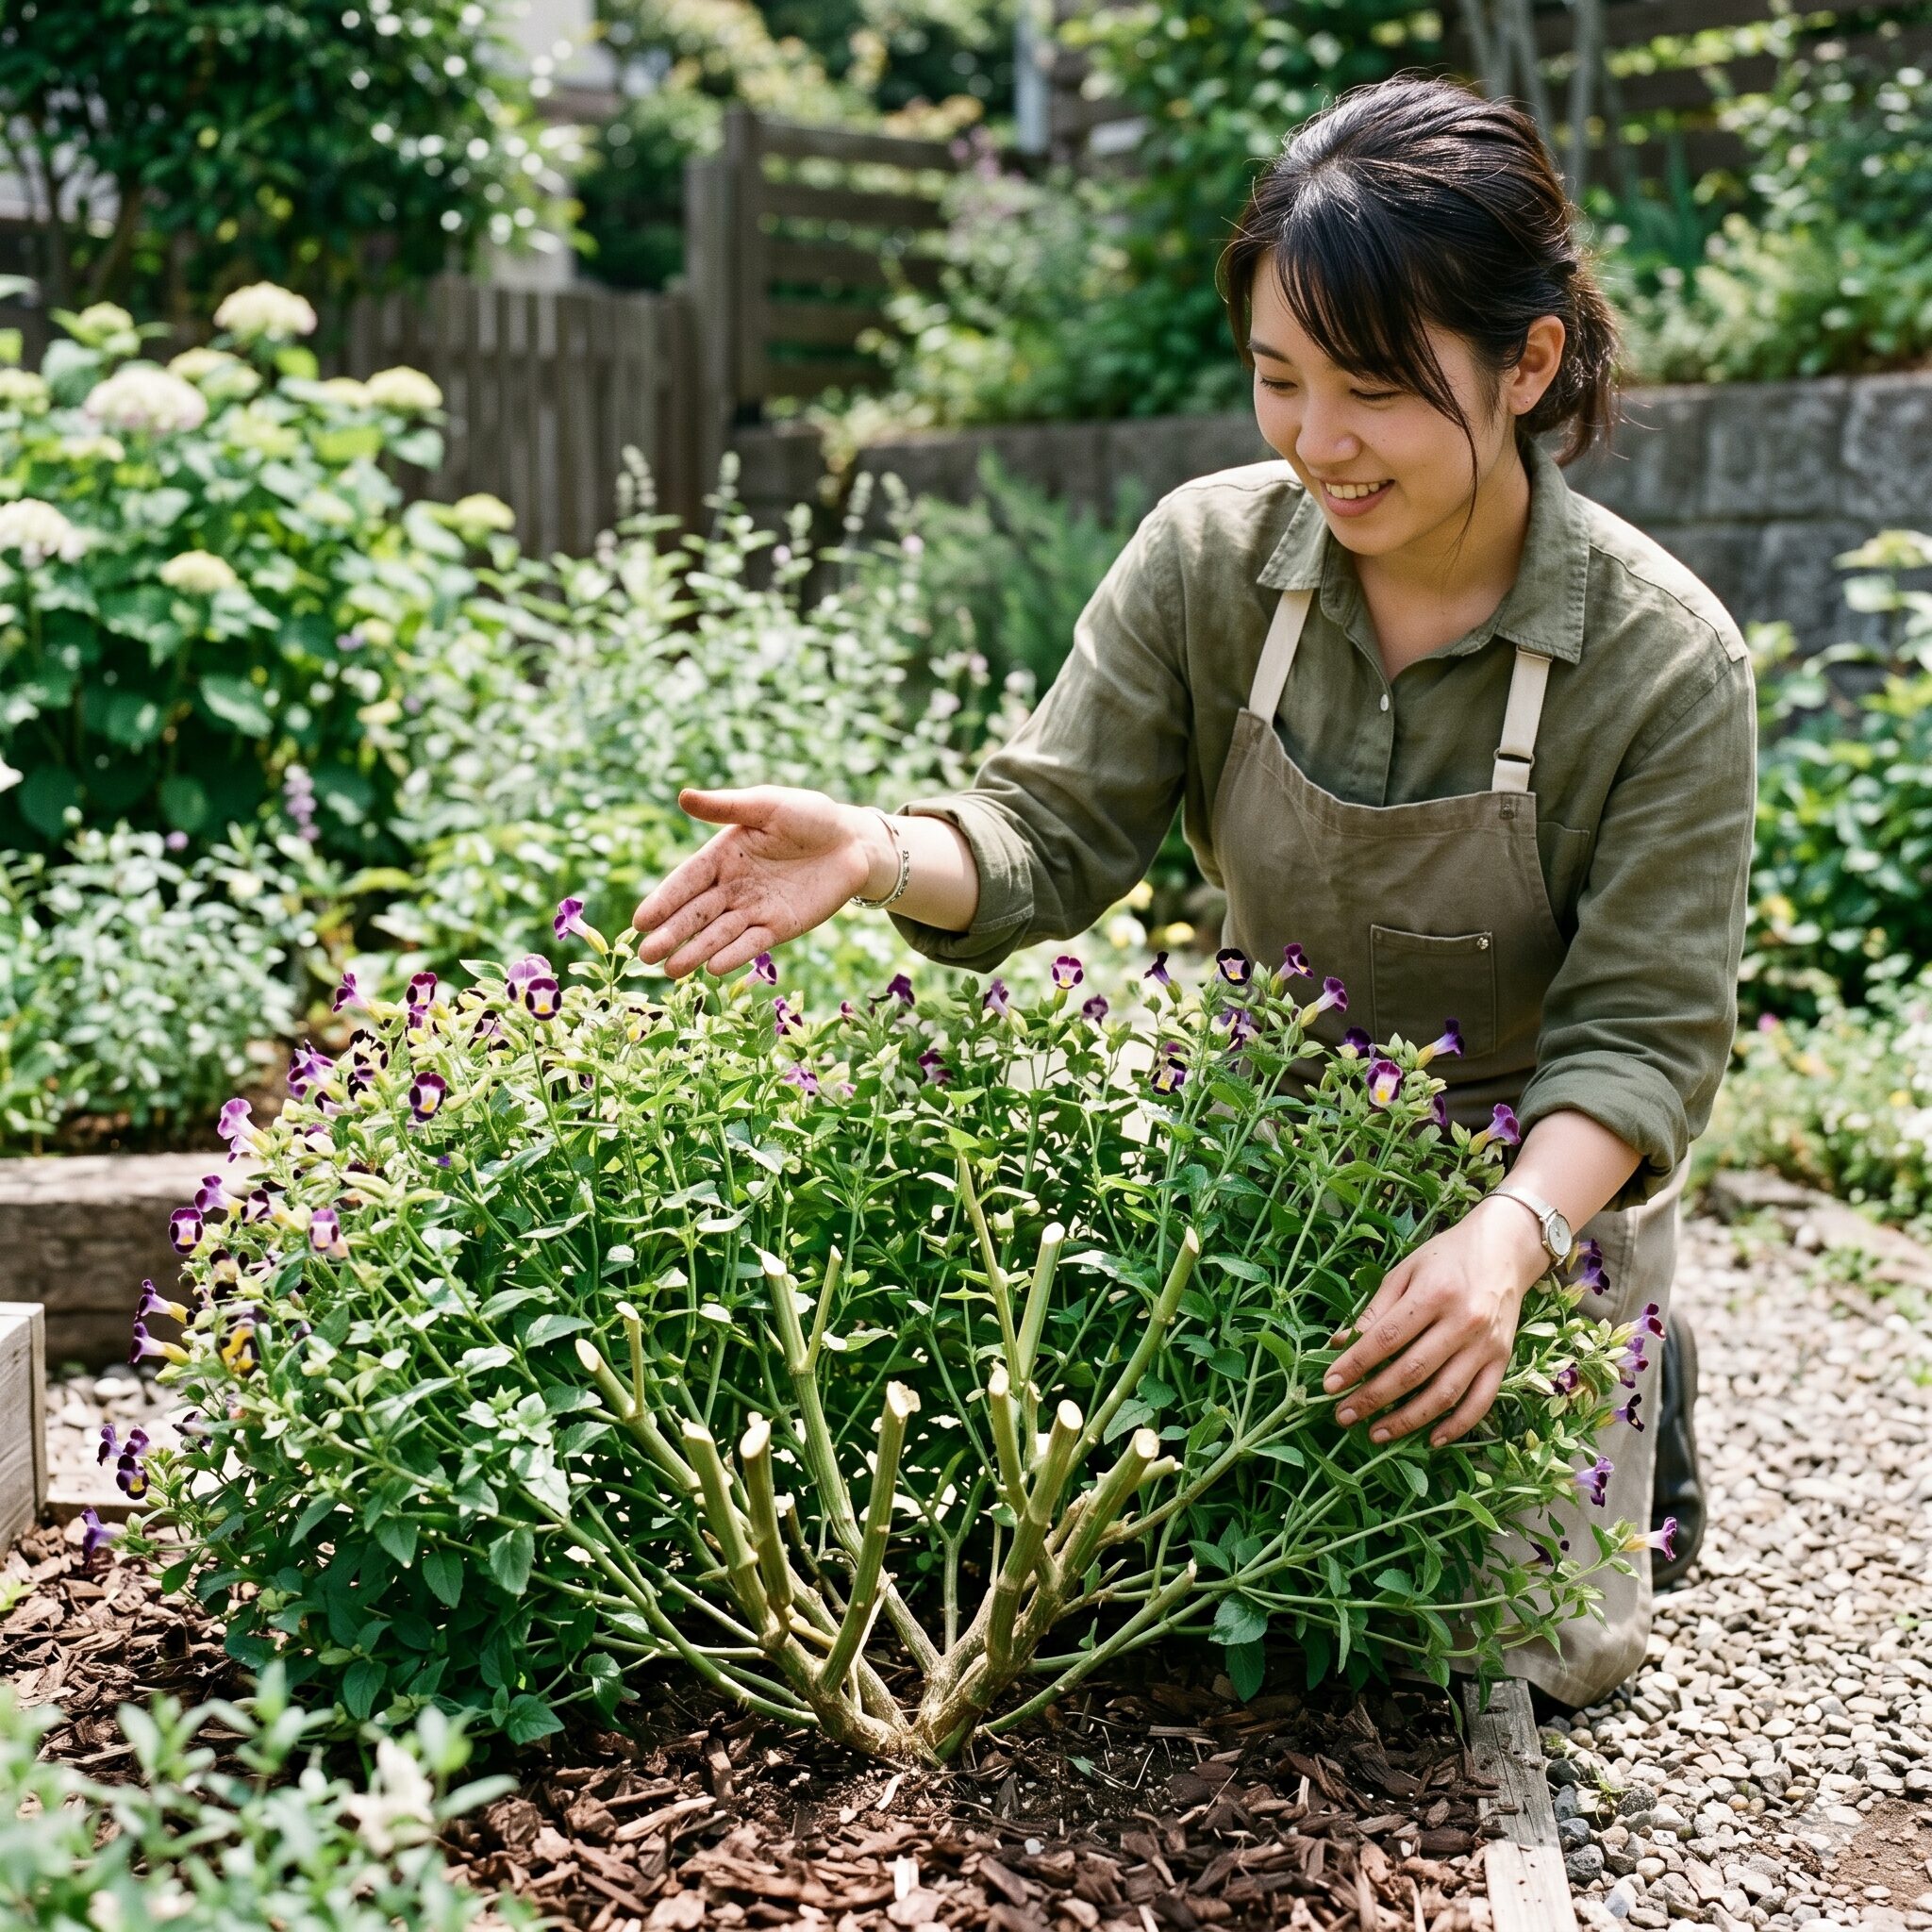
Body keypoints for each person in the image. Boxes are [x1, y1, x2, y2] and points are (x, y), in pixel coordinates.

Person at [627, 76, 1754, 1710]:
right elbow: (1044, 835)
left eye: (1371, 392)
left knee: (1516, 1667)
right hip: (1267, 1164)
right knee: (1205, 1614)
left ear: (1528, 364)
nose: (1315, 444)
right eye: (1277, 381)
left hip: (1528, 1181)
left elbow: (1645, 1032)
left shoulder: (1663, 660)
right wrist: (881, 850)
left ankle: (1628, 1345)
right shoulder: (1207, 560)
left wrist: (1505, 1245)